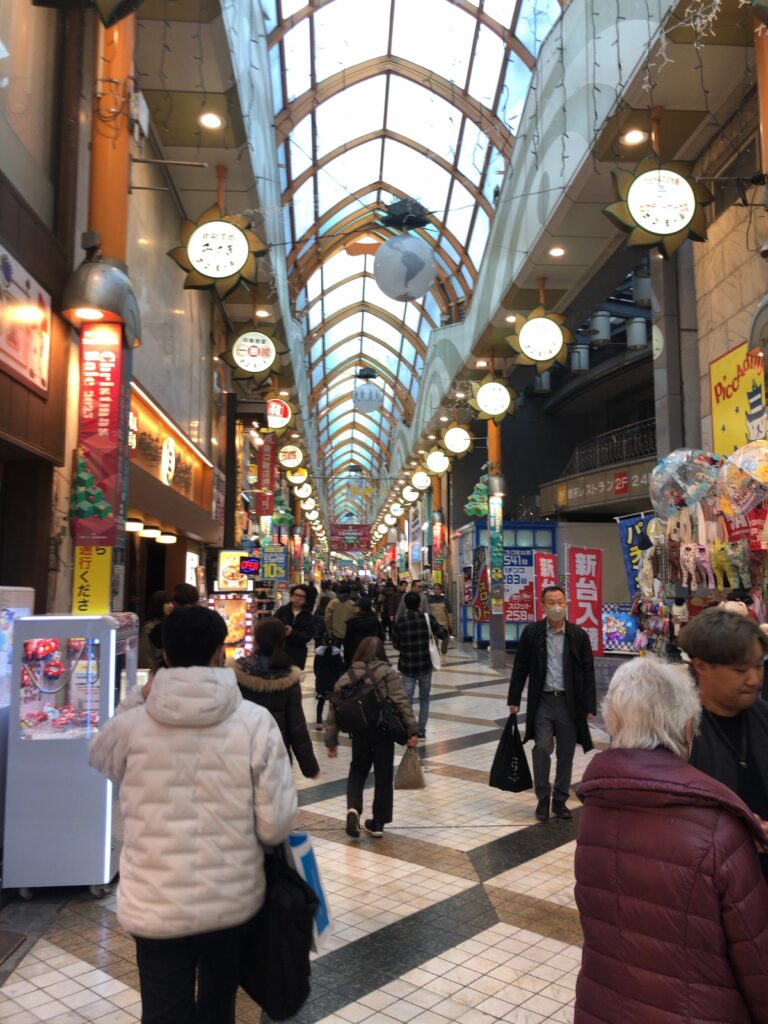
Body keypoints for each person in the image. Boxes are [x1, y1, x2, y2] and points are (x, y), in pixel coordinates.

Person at [89, 605, 297, 1024]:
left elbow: (99, 756)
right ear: (221, 653)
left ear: (164, 656)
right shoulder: (255, 722)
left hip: (154, 901)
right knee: (218, 1008)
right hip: (230, 899)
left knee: (163, 1011)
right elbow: (275, 826)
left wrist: (139, 696)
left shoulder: (131, 726)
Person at [574, 655, 768, 1023]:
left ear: (614, 722)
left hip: (602, 1007)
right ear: (686, 729)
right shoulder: (719, 828)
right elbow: (758, 961)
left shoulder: (596, 808)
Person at [678, 606, 768, 880]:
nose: (754, 679)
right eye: (740, 669)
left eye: (758, 666)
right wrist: (734, 836)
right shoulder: (678, 731)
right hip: (711, 881)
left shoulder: (764, 717)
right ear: (701, 666)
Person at [507, 585, 596, 821]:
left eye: (561, 602)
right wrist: (513, 699)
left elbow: (588, 671)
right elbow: (520, 667)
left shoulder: (578, 635)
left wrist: (589, 705)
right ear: (543, 606)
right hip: (543, 700)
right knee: (542, 748)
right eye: (552, 603)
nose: (557, 607)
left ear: (566, 604)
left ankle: (560, 799)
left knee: (566, 752)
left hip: (569, 702)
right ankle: (543, 797)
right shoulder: (532, 633)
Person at [325, 636, 418, 839]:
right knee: (383, 775)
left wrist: (331, 740)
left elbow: (334, 707)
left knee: (357, 770)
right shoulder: (388, 673)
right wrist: (412, 731)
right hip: (383, 731)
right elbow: (402, 702)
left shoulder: (349, 674)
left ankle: (353, 809)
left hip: (360, 732)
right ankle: (378, 823)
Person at [231, 617, 319, 779]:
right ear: (282, 640)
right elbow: (297, 727)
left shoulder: (238, 671)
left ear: (255, 639)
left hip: (242, 753)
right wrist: (310, 767)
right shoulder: (288, 677)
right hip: (278, 756)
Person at [392, 591, 441, 739]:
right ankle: (421, 729)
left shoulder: (400, 622)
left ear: (405, 605)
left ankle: (409, 727)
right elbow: (441, 633)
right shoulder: (427, 618)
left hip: (407, 666)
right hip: (425, 665)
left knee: (407, 699)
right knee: (424, 698)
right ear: (419, 604)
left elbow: (396, 644)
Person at [274, 584, 317, 671]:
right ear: (291, 596)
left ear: (306, 599)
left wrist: (292, 632)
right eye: (296, 595)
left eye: (301, 596)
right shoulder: (283, 610)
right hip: (280, 652)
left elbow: (308, 636)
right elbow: (273, 625)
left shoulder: (308, 616)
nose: (297, 598)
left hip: (297, 654)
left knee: (294, 677)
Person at [313, 637, 345, 731]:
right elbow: (341, 668)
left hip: (321, 682)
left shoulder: (318, 654)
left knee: (320, 702)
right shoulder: (337, 655)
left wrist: (318, 677)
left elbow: (315, 668)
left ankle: (319, 722)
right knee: (333, 703)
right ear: (335, 642)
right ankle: (332, 722)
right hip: (333, 682)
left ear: (323, 641)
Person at [343, 596, 384, 667]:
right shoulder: (375, 620)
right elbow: (381, 637)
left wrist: (346, 659)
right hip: (372, 654)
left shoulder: (352, 623)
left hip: (356, 654)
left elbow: (347, 642)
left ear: (360, 608)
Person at [138, 589, 173, 669]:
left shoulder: (170, 624)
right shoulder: (149, 628)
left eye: (171, 602)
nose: (171, 606)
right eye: (167, 603)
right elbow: (145, 657)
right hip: (157, 671)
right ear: (158, 605)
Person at [428, 583, 453, 655]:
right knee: (434, 641)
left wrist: (450, 623)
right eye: (434, 589)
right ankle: (436, 653)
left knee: (446, 639)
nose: (436, 590)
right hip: (434, 624)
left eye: (438, 589)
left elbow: (449, 612)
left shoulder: (445, 599)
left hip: (443, 623)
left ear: (441, 590)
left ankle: (443, 649)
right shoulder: (429, 599)